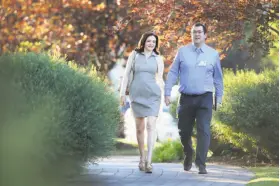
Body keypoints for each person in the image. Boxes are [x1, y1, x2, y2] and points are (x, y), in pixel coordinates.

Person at [164, 23, 224, 174]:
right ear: (191, 35)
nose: (196, 34)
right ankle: (188, 153)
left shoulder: (213, 54)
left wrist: (219, 97)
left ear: (205, 35)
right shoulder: (182, 52)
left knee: (204, 130)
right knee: (183, 131)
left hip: (205, 98)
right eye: (194, 32)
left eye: (199, 32)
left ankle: (201, 164)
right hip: (186, 98)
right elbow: (172, 73)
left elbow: (218, 78)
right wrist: (167, 91)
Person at [120, 32, 164, 173]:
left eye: (154, 42)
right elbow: (126, 74)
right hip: (136, 95)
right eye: (149, 41)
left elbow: (160, 78)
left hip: (153, 95)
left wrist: (165, 93)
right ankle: (142, 158)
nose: (151, 44)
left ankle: (149, 161)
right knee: (140, 128)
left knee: (151, 125)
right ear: (143, 42)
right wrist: (122, 93)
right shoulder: (134, 55)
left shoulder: (158, 58)